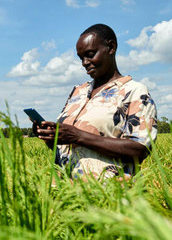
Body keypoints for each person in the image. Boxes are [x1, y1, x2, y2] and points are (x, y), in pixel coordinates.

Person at [32, 24, 157, 180]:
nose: (84, 62)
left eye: (90, 54)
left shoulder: (134, 91)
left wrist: (77, 136)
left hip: (109, 194)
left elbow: (140, 150)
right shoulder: (78, 92)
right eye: (81, 58)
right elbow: (65, 149)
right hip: (66, 194)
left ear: (111, 47)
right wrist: (51, 136)